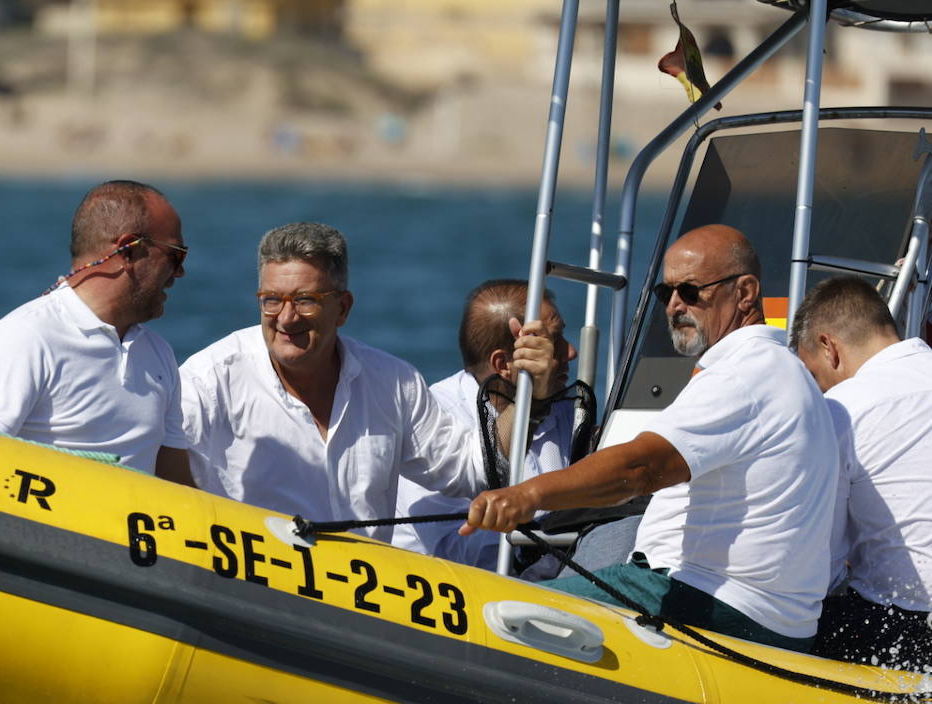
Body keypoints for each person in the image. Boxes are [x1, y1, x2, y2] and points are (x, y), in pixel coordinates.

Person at [462, 224, 838, 651]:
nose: (675, 305)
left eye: (691, 292)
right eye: (667, 293)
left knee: (492, 615)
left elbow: (642, 468)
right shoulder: (773, 369)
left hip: (713, 603)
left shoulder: (747, 372)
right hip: (749, 610)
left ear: (746, 293)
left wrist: (526, 495)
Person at [178, 221, 485, 541]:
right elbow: (153, 474)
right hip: (247, 587)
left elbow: (471, 470)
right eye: (272, 299)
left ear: (342, 308)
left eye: (305, 300)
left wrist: (526, 385)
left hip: (365, 586)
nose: (286, 317)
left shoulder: (394, 383)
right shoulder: (209, 379)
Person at [0, 180, 194, 485]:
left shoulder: (159, 353)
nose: (180, 272)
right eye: (176, 255)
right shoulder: (25, 336)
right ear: (127, 250)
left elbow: (177, 484)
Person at [391, 280, 582, 574]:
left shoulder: (568, 409)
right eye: (552, 342)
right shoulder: (432, 422)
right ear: (504, 364)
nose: (571, 352)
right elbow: (454, 552)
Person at [791, 275, 932, 670]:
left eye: (814, 376)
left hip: (905, 631)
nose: (817, 390)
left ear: (829, 347)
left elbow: (824, 565)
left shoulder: (841, 408)